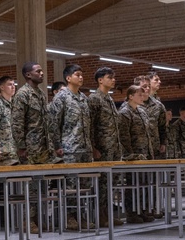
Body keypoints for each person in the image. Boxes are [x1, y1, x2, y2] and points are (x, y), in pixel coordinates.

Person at [47, 63, 92, 231]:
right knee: (70, 188)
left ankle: (81, 216)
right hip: (69, 149)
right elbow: (53, 124)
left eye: (81, 74)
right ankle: (68, 218)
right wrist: (57, 146)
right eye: (77, 74)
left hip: (84, 149)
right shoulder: (61, 97)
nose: (80, 77)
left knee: (83, 187)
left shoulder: (83, 98)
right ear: (68, 78)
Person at [11, 61, 53, 234]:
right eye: (38, 71)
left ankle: (39, 218)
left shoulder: (41, 94)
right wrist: (21, 146)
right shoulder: (22, 94)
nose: (41, 74)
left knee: (41, 186)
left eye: (42, 71)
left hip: (43, 147)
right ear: (28, 75)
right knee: (30, 187)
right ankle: (27, 220)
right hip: (29, 148)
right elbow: (17, 122)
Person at [87, 67, 123, 226]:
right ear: (100, 80)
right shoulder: (94, 99)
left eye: (113, 77)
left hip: (113, 147)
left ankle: (107, 213)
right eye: (110, 77)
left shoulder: (109, 99)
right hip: (102, 148)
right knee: (101, 184)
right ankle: (99, 216)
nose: (113, 80)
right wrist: (94, 147)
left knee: (110, 183)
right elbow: (91, 125)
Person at [117, 84, 152, 223]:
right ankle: (131, 212)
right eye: (139, 94)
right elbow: (124, 136)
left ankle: (141, 209)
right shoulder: (125, 112)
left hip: (143, 153)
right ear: (131, 96)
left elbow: (147, 134)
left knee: (143, 184)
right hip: (132, 155)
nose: (142, 97)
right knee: (132, 184)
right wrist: (129, 153)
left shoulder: (142, 112)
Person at [143, 72, 168, 159]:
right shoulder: (138, 100)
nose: (159, 82)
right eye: (156, 80)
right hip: (141, 144)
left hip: (155, 144)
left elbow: (162, 125)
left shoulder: (158, 103)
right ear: (148, 82)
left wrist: (163, 142)